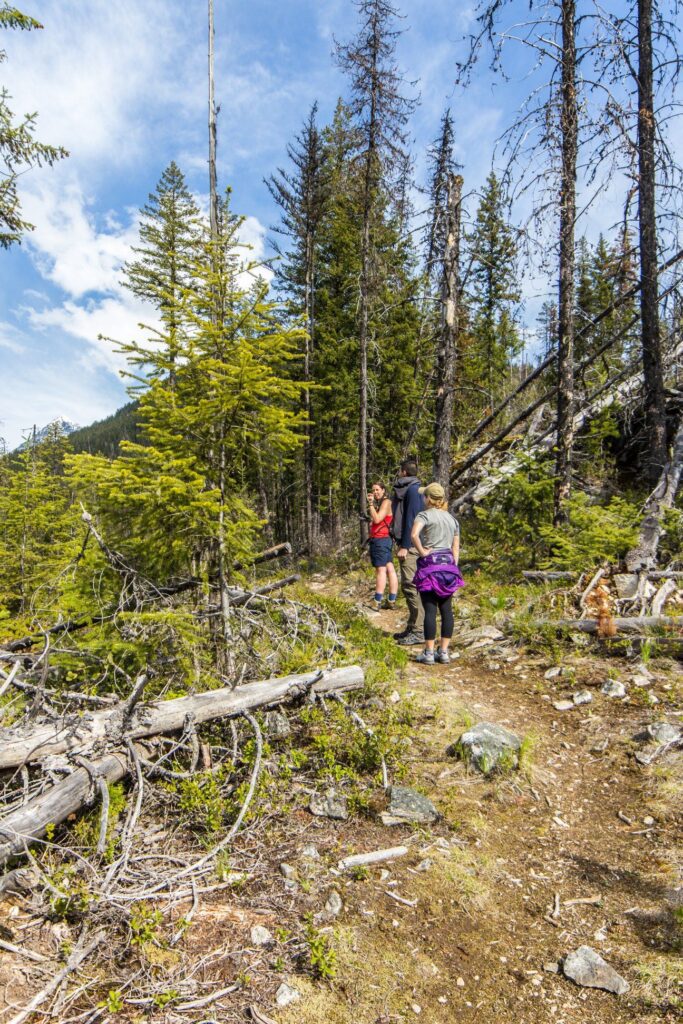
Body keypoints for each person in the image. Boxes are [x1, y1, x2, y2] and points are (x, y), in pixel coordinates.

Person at [410, 482, 464, 665]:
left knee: (430, 610)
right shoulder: (452, 519)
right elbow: (456, 546)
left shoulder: (424, 515)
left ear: (428, 499)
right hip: (448, 567)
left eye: (424, 495)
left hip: (430, 567)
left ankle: (429, 652)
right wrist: (453, 565)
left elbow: (414, 534)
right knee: (447, 610)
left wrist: (423, 552)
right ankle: (444, 652)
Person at [391, 458, 425, 645]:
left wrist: (405, 545)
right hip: (412, 544)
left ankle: (419, 630)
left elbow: (411, 518)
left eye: (400, 471)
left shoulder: (412, 490)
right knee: (409, 586)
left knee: (411, 586)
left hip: (411, 546)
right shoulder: (412, 488)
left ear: (404, 472)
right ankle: (413, 625)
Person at [366, 482, 398, 611]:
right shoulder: (383, 504)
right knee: (390, 568)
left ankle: (377, 601)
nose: (375, 492)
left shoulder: (386, 503)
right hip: (383, 540)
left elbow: (378, 519)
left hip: (381, 540)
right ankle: (391, 600)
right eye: (373, 490)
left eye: (377, 490)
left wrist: (370, 504)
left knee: (381, 570)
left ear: (383, 490)